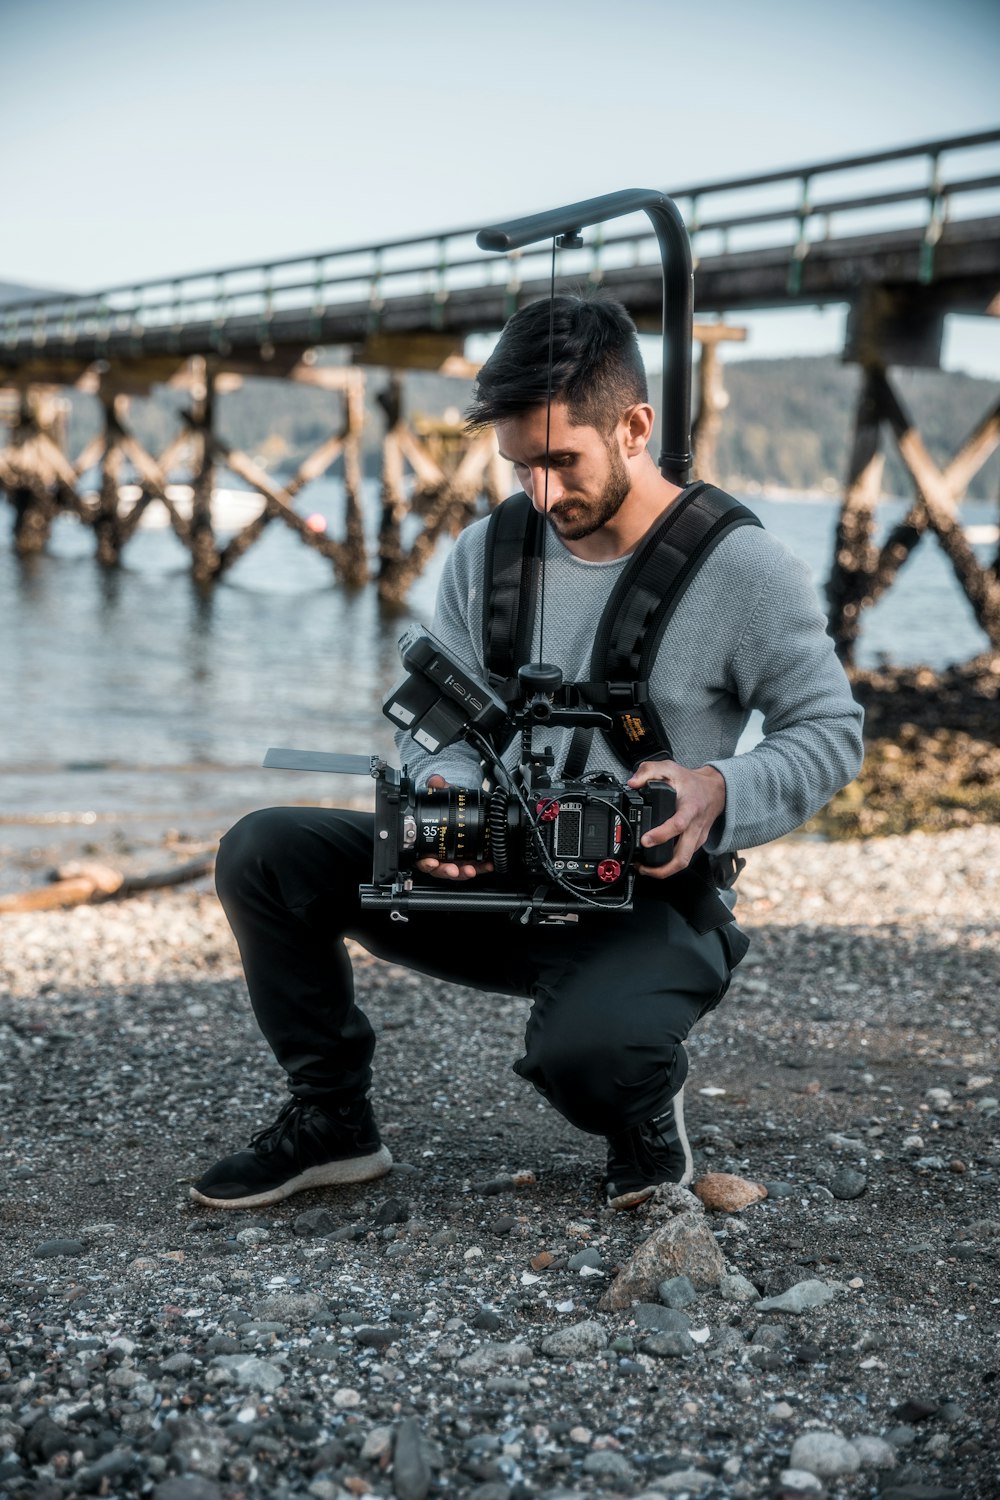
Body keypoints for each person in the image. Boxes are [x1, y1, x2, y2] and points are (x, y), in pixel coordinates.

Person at [191, 295, 864, 1213]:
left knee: (588, 1061)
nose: (541, 494)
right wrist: (446, 800)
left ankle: (640, 1111)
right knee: (263, 851)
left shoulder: (745, 572)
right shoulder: (488, 554)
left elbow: (829, 732)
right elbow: (437, 727)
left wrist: (718, 788)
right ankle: (332, 1122)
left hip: (643, 898)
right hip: (489, 878)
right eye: (519, 465)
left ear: (634, 428)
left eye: (560, 460)